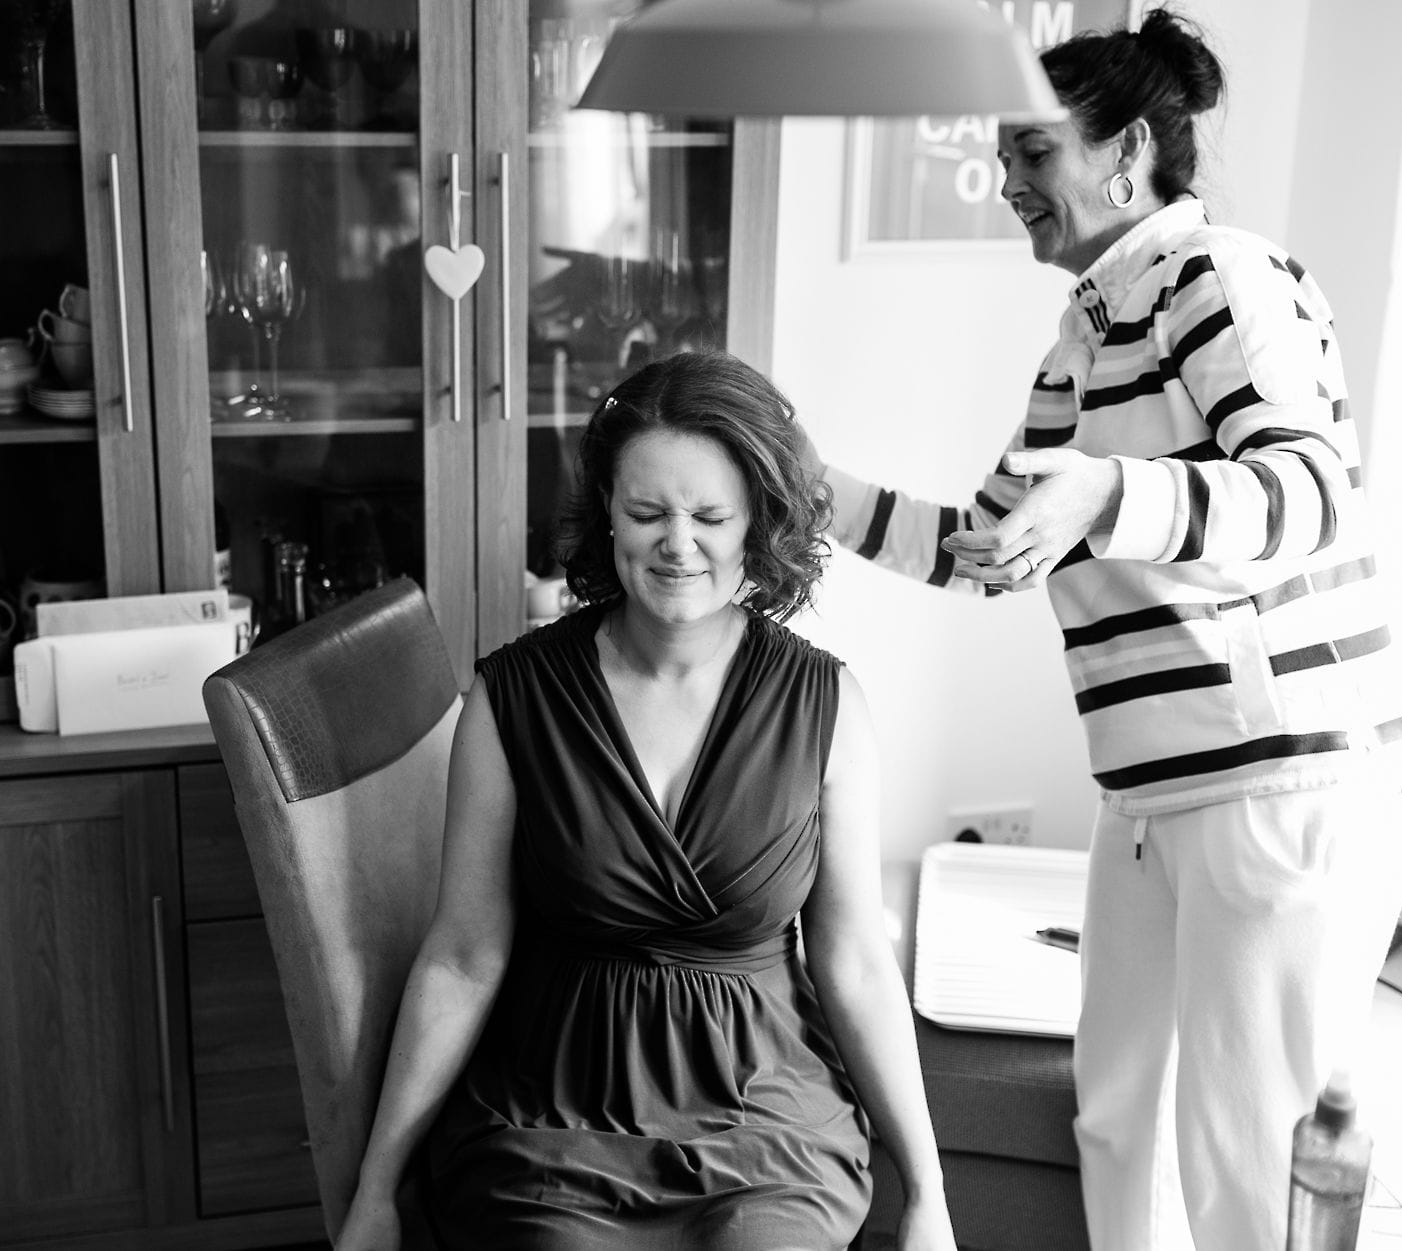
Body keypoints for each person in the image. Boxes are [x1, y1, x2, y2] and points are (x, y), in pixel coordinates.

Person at [802, 9, 1402, 1249]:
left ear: (1124, 151)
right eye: (1000, 158)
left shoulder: (1219, 278)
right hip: (1152, 794)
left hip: (1281, 778)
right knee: (1116, 1126)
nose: (1007, 185)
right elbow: (986, 552)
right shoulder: (1077, 342)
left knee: (1242, 1159)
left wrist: (1109, 493)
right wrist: (807, 488)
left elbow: (1305, 495)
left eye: (1029, 153)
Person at [335, 350, 956, 1251]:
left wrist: (928, 1192)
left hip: (765, 1113)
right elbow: (465, 953)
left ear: (757, 524)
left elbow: (855, 957)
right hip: (551, 1108)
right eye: (646, 512)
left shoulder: (827, 705)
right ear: (606, 521)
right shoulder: (512, 698)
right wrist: (376, 1187)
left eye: (710, 515)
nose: (678, 542)